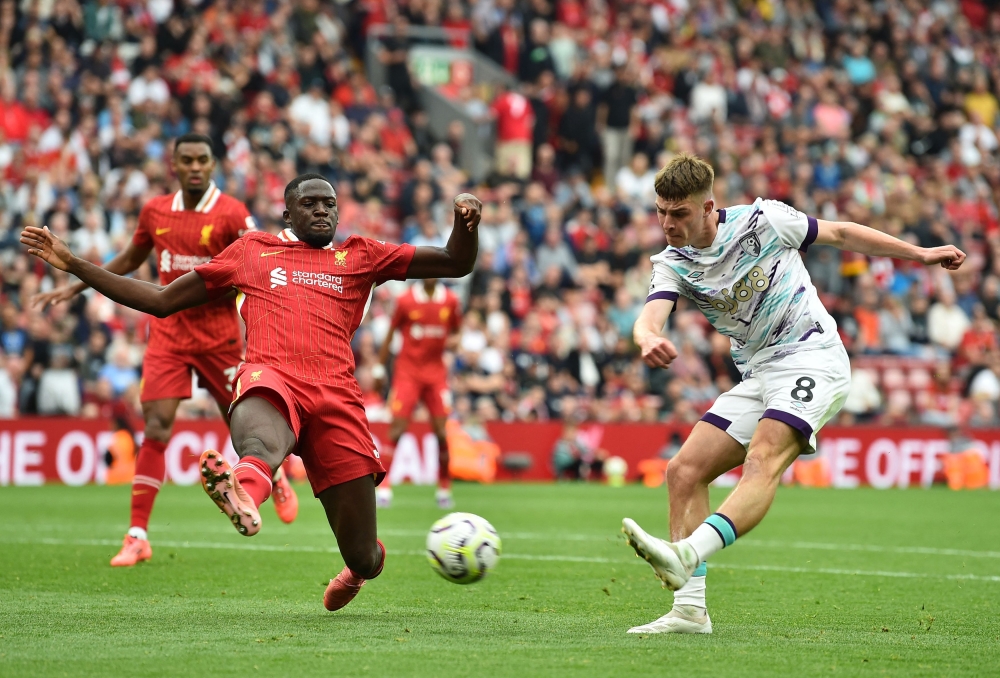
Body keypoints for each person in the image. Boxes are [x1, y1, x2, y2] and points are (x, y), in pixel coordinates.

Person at [22, 175, 482, 612]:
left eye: (329, 203)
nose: (322, 210)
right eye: (309, 203)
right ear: (287, 212)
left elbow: (455, 262)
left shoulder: (362, 255)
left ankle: (355, 571)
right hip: (272, 376)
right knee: (262, 439)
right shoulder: (252, 252)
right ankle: (243, 495)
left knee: (365, 554)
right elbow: (160, 301)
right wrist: (75, 263)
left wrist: (465, 225)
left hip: (339, 398)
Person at [623, 154, 965, 635]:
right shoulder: (672, 262)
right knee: (683, 471)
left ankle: (689, 552)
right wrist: (646, 338)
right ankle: (690, 612)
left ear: (708, 208)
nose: (667, 223)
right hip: (759, 373)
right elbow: (651, 314)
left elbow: (843, 233)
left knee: (763, 459)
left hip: (812, 356)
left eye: (678, 213)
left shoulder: (764, 221)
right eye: (660, 211)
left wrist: (921, 254)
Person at [31, 133, 300, 568]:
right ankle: (138, 535)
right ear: (173, 165)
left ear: (213, 165)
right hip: (169, 335)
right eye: (187, 160)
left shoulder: (232, 212)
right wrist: (75, 285)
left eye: (202, 160)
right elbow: (129, 258)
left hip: (220, 337)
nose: (195, 167)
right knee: (156, 426)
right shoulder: (154, 210)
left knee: (243, 420)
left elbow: (263, 256)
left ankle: (274, 472)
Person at [372, 278, 462, 509]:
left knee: (442, 432)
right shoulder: (406, 300)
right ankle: (384, 486)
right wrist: (380, 367)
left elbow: (456, 331)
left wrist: (453, 342)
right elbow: (391, 333)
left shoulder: (450, 301)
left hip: (436, 374)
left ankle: (444, 487)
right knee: (397, 429)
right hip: (408, 373)